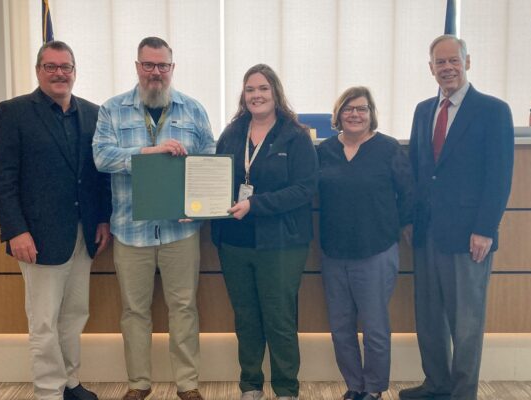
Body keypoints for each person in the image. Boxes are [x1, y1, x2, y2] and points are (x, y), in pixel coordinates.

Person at [0, 40, 112, 400]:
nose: (60, 73)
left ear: (75, 71)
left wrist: (102, 219)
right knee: (43, 322)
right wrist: (16, 230)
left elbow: (97, 175)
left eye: (66, 67)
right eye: (51, 66)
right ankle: (48, 391)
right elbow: (1, 178)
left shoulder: (93, 113)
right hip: (37, 237)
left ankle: (70, 383)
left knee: (75, 315)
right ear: (38, 70)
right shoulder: (14, 112)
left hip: (83, 234)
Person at [92, 36, 214, 400]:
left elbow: (208, 160)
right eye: (148, 65)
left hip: (181, 231)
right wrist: (148, 153)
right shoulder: (112, 110)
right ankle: (138, 384)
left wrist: (201, 207)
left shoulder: (193, 109)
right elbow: (101, 158)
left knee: (184, 308)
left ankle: (188, 385)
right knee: (133, 311)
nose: (155, 72)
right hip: (131, 231)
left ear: (172, 68)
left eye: (162, 65)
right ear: (137, 67)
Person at [399, 35, 514, 400]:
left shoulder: (493, 110)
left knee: (465, 323)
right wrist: (410, 219)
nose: (447, 68)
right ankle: (436, 385)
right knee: (429, 319)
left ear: (468, 62)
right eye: (440, 62)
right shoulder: (422, 110)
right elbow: (419, 172)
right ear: (430, 67)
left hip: (469, 236)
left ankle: (462, 393)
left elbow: (499, 175)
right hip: (427, 233)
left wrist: (485, 229)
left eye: (453, 61)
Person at [211, 64, 318, 400]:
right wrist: (194, 207)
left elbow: (305, 189)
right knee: (246, 317)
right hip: (234, 241)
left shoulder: (295, 135)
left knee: (279, 318)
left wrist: (255, 204)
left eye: (262, 89)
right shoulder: (232, 133)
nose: (256, 95)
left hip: (281, 242)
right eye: (250, 90)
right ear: (243, 96)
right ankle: (251, 385)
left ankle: (286, 388)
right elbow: (216, 180)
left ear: (275, 93)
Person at [317, 87, 413, 400]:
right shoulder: (325, 150)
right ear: (338, 114)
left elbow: (408, 194)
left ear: (371, 113)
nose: (355, 115)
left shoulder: (387, 148)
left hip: (376, 251)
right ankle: (354, 386)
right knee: (341, 327)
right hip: (334, 252)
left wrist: (400, 227)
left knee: (374, 327)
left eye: (362, 109)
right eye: (348, 109)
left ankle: (373, 388)